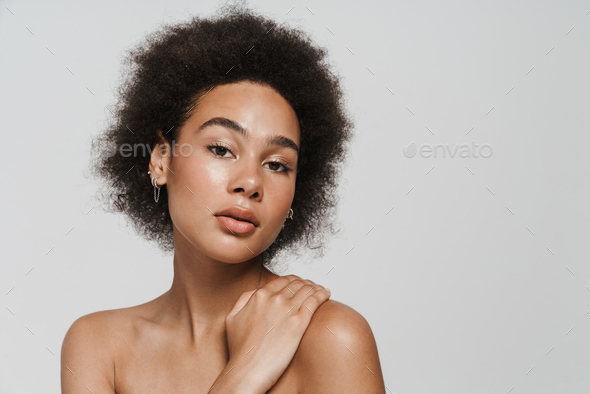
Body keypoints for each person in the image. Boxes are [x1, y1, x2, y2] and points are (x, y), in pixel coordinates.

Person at [61, 2, 385, 393]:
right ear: (162, 160)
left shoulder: (333, 337)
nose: (250, 182)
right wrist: (244, 372)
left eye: (278, 164)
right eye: (221, 149)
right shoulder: (98, 345)